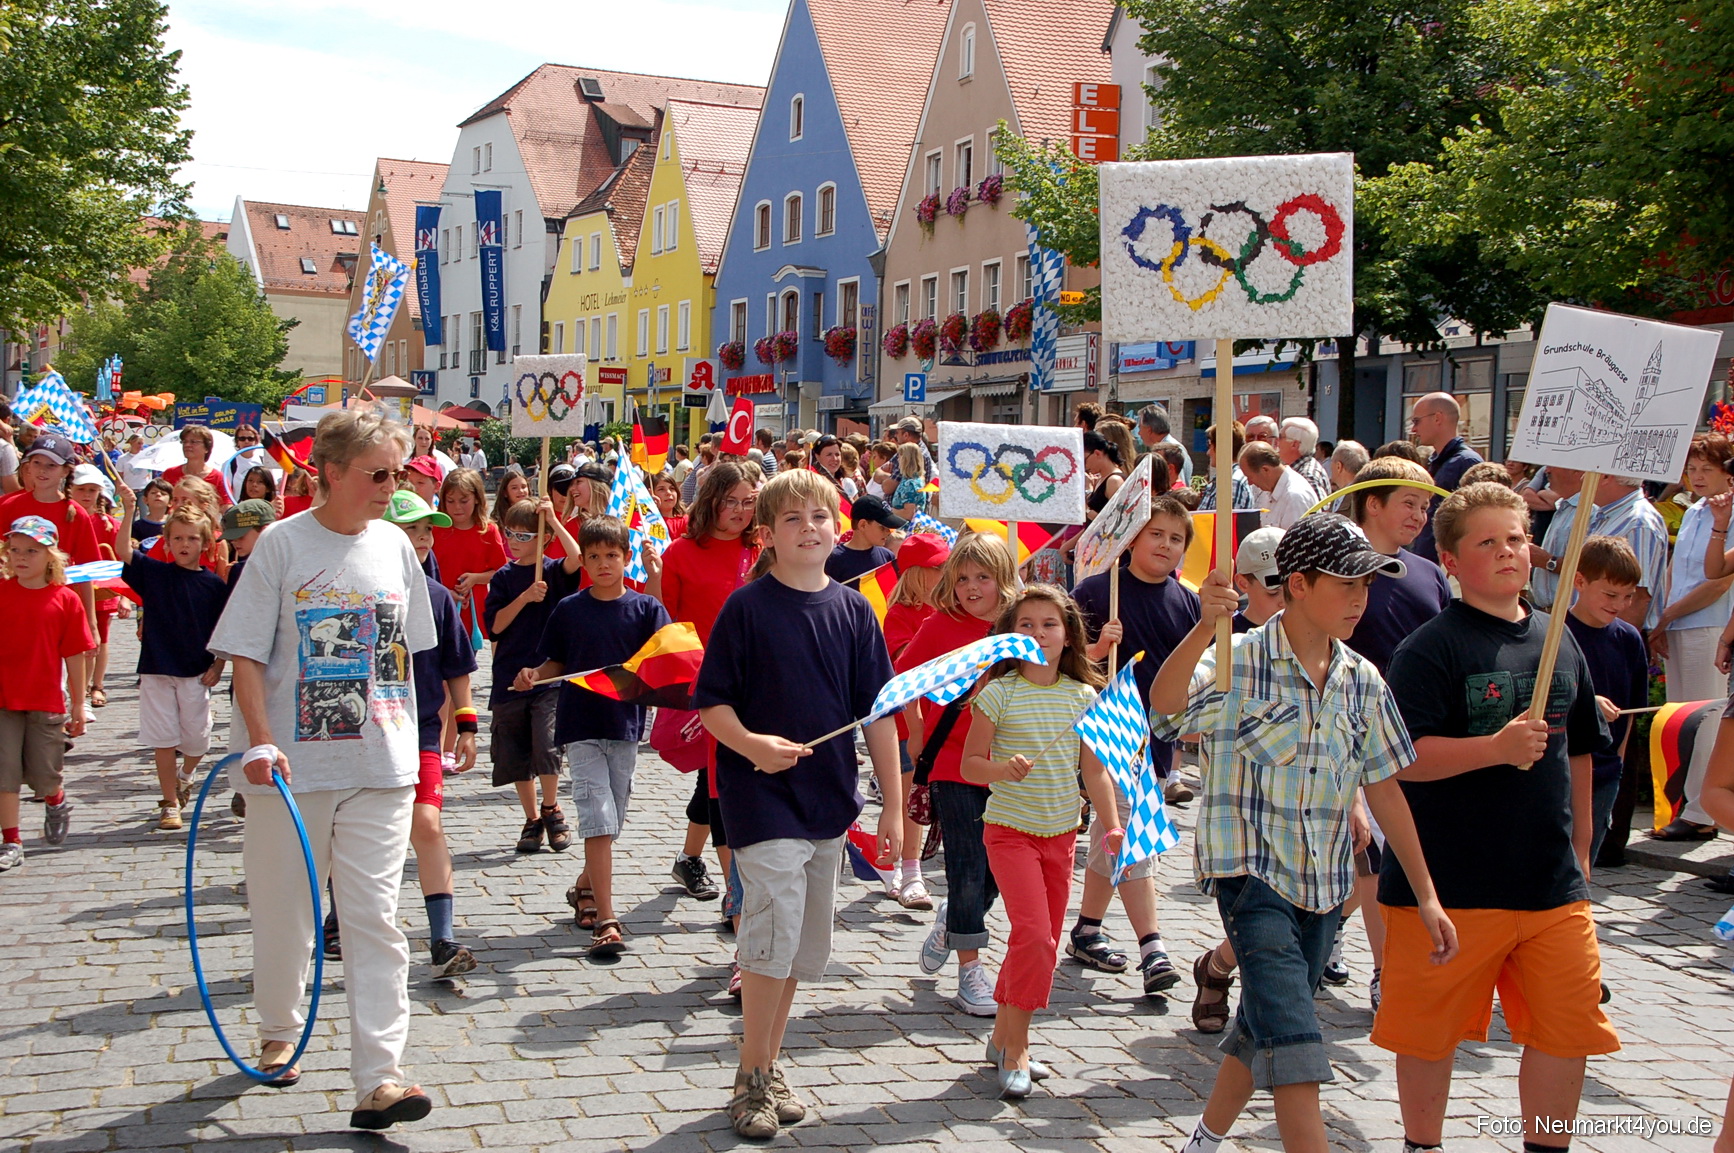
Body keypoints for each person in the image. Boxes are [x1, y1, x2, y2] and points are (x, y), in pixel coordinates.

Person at [1151, 514, 1456, 1153]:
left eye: (1366, 585)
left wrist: (1426, 894)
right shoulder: (1238, 659)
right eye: (1345, 583)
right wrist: (1206, 626)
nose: (1358, 599)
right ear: (1296, 584)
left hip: (1324, 886)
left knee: (1262, 1025)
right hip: (1250, 877)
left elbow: (1384, 787)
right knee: (1296, 1036)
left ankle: (1203, 1140)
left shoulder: (1363, 679)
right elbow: (1166, 706)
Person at [208, 409, 440, 1130]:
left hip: (383, 762)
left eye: (397, 472)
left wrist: (434, 736)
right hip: (292, 767)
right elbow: (245, 651)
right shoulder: (280, 545)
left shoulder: (398, 546)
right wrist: (259, 737)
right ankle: (281, 1025)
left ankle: (383, 1075)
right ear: (330, 471)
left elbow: (408, 656)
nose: (389, 485)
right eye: (377, 473)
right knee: (287, 911)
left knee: (375, 918)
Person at [1375, 483, 1618, 1153]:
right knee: (1428, 1034)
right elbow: (1400, 759)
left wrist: (1582, 844)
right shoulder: (1429, 648)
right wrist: (1493, 748)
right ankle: (1422, 1142)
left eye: (1514, 538)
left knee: (1566, 1029)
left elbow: (1579, 749)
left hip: (1549, 883)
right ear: (1451, 560)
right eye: (1486, 542)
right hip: (1451, 881)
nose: (1507, 552)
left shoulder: (1558, 638)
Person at [695, 468, 900, 1139]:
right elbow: (713, 702)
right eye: (792, 519)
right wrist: (753, 744)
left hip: (828, 800)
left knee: (798, 949)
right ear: (768, 535)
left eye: (820, 516)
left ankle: (767, 1060)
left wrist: (892, 808)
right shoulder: (746, 607)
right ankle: (751, 1075)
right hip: (761, 798)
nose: (808, 528)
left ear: (838, 526)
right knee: (769, 933)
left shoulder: (854, 610)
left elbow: (880, 717)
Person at [961, 585, 1119, 1098]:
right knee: (1034, 937)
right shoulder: (997, 693)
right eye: (1025, 624)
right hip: (1009, 832)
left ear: (1068, 634)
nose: (1037, 633)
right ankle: (1018, 1047)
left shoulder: (1083, 696)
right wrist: (1002, 769)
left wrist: (1111, 824)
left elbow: (1095, 773)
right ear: (1009, 635)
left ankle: (1003, 1037)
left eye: (1048, 623)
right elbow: (970, 765)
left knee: (1041, 947)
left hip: (1061, 836)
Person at [516, 515, 670, 956]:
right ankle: (607, 917)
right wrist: (533, 674)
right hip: (580, 727)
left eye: (613, 556)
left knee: (613, 819)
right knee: (598, 819)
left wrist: (656, 582)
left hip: (625, 728)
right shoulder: (570, 610)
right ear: (583, 560)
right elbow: (556, 663)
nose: (604, 564)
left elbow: (666, 650)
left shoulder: (644, 607)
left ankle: (584, 887)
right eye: (596, 556)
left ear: (626, 559)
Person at [1071, 496, 1200, 995]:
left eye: (1175, 538)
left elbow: (1194, 668)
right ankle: (1154, 948)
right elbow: (1061, 660)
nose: (1165, 545)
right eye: (1156, 534)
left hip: (1159, 739)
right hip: (1108, 734)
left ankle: (1086, 929)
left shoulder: (1186, 600)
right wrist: (1098, 648)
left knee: (1114, 838)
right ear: (1131, 539)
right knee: (1132, 834)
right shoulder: (1098, 591)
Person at [365, 489, 481, 978]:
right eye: (411, 529)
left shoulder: (437, 598)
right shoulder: (361, 592)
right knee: (357, 837)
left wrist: (468, 726)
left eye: (427, 530)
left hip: (421, 737)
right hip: (363, 740)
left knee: (428, 827)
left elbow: (457, 668)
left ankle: (443, 938)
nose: (422, 539)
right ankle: (337, 920)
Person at [901, 532, 1018, 1015]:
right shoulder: (940, 625)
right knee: (968, 865)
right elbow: (903, 680)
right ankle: (971, 970)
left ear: (1003, 580)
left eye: (983, 577)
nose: (972, 587)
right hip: (953, 762)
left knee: (997, 871)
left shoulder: (1021, 625)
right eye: (963, 578)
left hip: (1011, 765)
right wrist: (915, 735)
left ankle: (954, 919)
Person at [659, 460, 764, 920]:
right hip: (708, 687)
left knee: (720, 780)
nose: (740, 511)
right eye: (730, 502)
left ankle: (689, 860)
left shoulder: (764, 548)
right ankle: (733, 893)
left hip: (760, 685)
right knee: (721, 784)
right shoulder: (681, 552)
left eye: (748, 502)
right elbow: (666, 623)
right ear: (710, 502)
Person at [115, 489, 229, 830]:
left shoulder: (212, 585)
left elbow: (222, 632)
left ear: (205, 544)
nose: (184, 544)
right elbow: (123, 550)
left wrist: (218, 665)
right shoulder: (154, 574)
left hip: (195, 671)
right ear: (166, 542)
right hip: (156, 668)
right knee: (163, 739)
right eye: (177, 538)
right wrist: (129, 509)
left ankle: (186, 774)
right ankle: (168, 803)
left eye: (192, 538)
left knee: (198, 739)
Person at [485, 497, 583, 854]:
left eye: (524, 535)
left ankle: (551, 807)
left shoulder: (554, 571)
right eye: (510, 533)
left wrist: (554, 521)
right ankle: (531, 818)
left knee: (547, 743)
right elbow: (494, 627)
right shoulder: (504, 578)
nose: (514, 540)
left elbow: (577, 557)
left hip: (547, 674)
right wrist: (525, 597)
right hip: (509, 673)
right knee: (516, 752)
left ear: (541, 540)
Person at [0, 515, 91, 870]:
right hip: (4, 698)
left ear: (50, 557)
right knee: (5, 772)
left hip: (44, 698)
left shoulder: (65, 599)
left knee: (43, 772)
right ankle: (11, 840)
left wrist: (80, 704)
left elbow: (75, 654)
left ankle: (55, 799)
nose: (20, 557)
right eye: (15, 550)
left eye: (31, 551)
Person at [1563, 537, 1649, 878]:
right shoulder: (1555, 633)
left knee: (1586, 864)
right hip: (1561, 769)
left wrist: (1618, 766)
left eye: (1627, 596)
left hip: (1605, 773)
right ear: (1580, 581)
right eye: (1610, 595)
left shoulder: (1629, 639)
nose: (1620, 604)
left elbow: (1631, 712)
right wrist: (1586, 702)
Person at [879, 532, 950, 909]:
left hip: (942, 721)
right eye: (939, 567)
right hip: (907, 723)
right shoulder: (901, 615)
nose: (947, 573)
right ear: (917, 574)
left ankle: (904, 869)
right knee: (909, 797)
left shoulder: (949, 611)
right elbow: (905, 662)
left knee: (923, 797)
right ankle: (909, 872)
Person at [1342, 458, 1452, 675]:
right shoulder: (1335, 570)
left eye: (1424, 507)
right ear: (1373, 504)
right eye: (1409, 504)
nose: (1419, 516)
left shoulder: (1432, 573)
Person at [1531, 471, 1667, 632]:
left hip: (1604, 638)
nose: (1582, 478)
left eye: (1587, 473)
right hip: (1590, 634)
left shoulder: (1637, 524)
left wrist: (1615, 647)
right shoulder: (1610, 515)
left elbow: (1637, 596)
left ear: (1605, 477)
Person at [1658, 434, 1734, 702]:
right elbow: (1673, 570)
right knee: (1676, 712)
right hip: (1676, 623)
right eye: (1691, 470)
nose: (1697, 477)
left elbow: (1719, 582)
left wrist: (1667, 616)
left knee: (1704, 713)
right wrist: (1663, 619)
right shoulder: (1693, 511)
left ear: (1727, 473)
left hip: (1710, 624)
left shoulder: (1731, 513)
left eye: (1706, 469)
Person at [0, 432, 100, 634]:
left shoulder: (76, 514)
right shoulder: (9, 506)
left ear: (65, 470)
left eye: (51, 465)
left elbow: (85, 571)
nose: (42, 470)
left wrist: (91, 622)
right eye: (37, 463)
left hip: (55, 605)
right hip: (11, 601)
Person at [431, 467, 507, 639]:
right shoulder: (435, 529)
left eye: (464, 501)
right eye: (450, 501)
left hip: (471, 613)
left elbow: (501, 572)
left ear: (477, 499)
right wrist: (443, 592)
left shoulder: (488, 531)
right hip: (438, 608)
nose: (457, 507)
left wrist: (475, 578)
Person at [67, 465, 121, 708]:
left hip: (101, 589)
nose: (87, 495)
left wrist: (124, 597)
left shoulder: (107, 524)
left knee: (99, 638)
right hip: (70, 590)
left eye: (92, 490)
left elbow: (119, 560)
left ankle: (95, 685)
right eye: (81, 490)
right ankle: (74, 689)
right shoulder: (65, 517)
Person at [1406, 392, 1483, 561]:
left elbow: (1478, 521)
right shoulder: (1439, 461)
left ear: (1438, 418)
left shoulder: (1467, 462)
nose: (1413, 429)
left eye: (1416, 421)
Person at [825, 494, 905, 584]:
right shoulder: (834, 560)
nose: (888, 532)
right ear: (863, 525)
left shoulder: (887, 556)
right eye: (882, 527)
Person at [1238, 441, 1315, 529]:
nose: (1249, 482)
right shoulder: (1267, 490)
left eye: (1250, 477)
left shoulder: (1295, 497)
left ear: (1265, 470)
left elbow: (1293, 541)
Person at [163, 425, 233, 507]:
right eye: (185, 441)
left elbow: (227, 507)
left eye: (193, 442)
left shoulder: (218, 478)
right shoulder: (170, 473)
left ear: (206, 448)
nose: (187, 445)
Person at [1198, 422, 1254, 512]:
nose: (1208, 452)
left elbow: (1228, 523)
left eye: (1210, 445)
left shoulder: (1232, 482)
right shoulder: (1226, 478)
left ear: (1221, 447)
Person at [221, 499, 276, 591]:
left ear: (265, 531)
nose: (234, 541)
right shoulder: (237, 570)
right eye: (231, 537)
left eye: (240, 536)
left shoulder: (241, 570)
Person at [1137, 403, 1194, 486]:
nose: (1139, 433)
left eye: (1140, 427)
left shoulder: (1170, 450)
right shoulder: (1170, 447)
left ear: (1149, 429)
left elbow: (1177, 484)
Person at [1278, 417, 1331, 499]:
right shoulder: (1297, 470)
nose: (1277, 441)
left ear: (1294, 444)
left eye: (1280, 437)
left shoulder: (1308, 476)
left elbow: (1317, 510)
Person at [1083, 431, 1126, 522]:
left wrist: (1086, 509)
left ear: (1097, 454)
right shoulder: (1102, 478)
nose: (1085, 466)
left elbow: (1115, 520)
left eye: (1085, 460)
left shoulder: (1114, 480)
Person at [808, 434, 857, 500]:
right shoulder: (810, 485)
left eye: (837, 454)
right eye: (829, 455)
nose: (834, 459)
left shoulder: (847, 484)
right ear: (817, 456)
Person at [889, 444, 930, 521]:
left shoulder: (910, 484)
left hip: (905, 529)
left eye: (900, 456)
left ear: (906, 459)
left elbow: (909, 514)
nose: (898, 460)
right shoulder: (915, 480)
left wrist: (888, 511)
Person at [132, 477, 173, 542]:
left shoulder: (174, 523)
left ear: (170, 502)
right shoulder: (138, 526)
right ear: (145, 500)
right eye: (153, 493)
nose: (158, 495)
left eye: (163, 494)